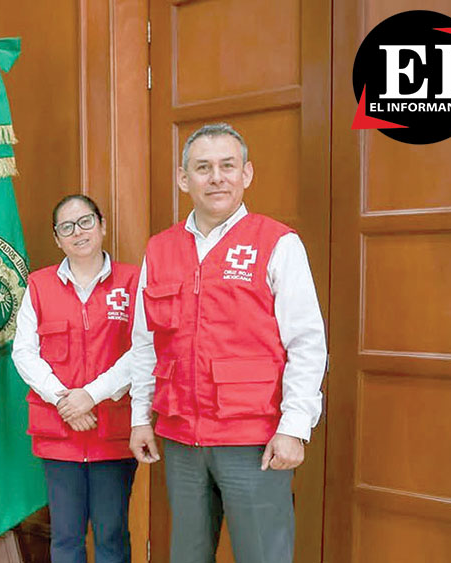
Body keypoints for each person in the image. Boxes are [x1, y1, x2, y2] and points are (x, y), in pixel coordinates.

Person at [127, 123, 327, 562]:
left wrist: (294, 427)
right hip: (181, 439)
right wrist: (140, 417)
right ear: (184, 179)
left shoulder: (277, 243)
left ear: (246, 174)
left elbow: (307, 343)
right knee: (188, 554)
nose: (216, 177)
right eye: (203, 168)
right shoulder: (159, 249)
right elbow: (144, 344)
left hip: (253, 438)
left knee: (262, 554)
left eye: (227, 166)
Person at [11, 195, 141, 563]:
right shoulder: (38, 285)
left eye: (85, 222)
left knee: (112, 534)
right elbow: (24, 352)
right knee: (66, 537)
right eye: (66, 227)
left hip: (111, 430)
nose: (78, 232)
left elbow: (143, 349)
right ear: (57, 239)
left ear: (102, 225)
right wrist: (64, 400)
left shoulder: (133, 281)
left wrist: (91, 396)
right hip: (60, 431)